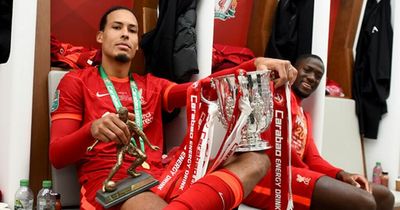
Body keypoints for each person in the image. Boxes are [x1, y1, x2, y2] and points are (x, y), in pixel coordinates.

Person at [49, 6, 297, 210]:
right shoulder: (76, 81)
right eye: (117, 27)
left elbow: (202, 88)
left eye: (132, 31)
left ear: (137, 45)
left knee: (256, 161)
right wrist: (92, 129)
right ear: (100, 36)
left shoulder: (152, 85)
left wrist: (254, 65)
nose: (125, 34)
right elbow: (57, 156)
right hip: (113, 184)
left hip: (162, 175)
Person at [242, 54, 395, 210]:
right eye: (307, 70)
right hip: (269, 175)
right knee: (364, 201)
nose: (312, 78)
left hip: (299, 175)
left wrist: (341, 174)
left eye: (318, 76)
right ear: (293, 70)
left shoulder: (305, 116)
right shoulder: (276, 96)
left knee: (384, 196)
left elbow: (313, 158)